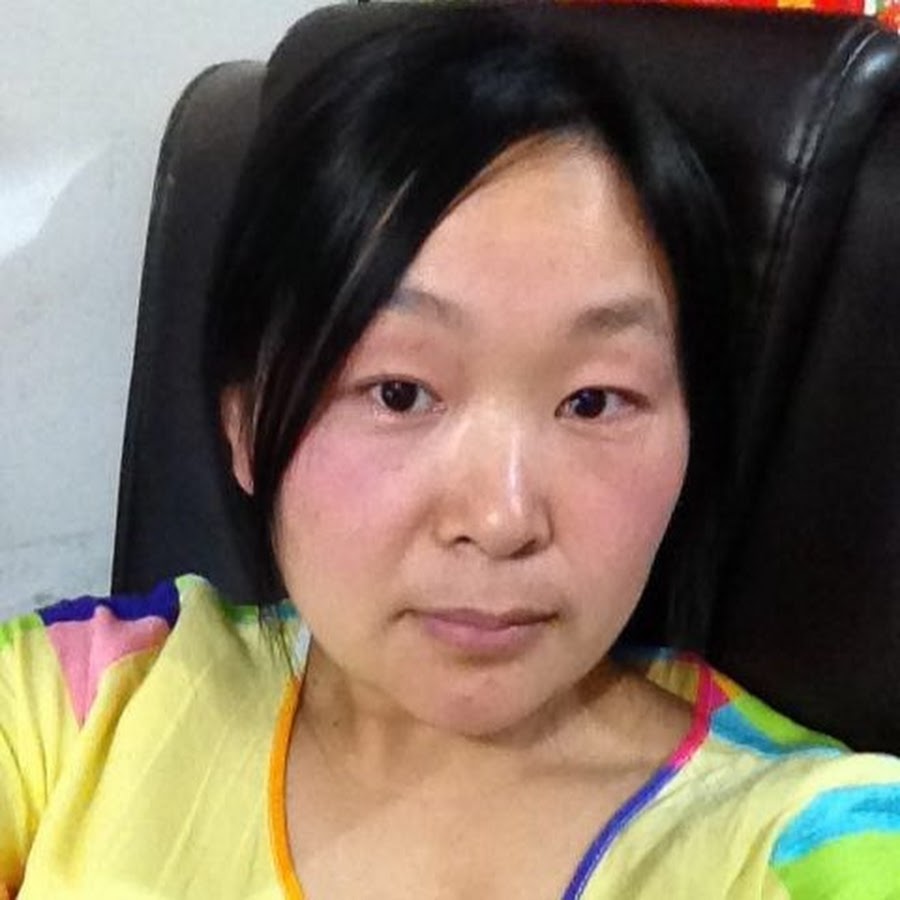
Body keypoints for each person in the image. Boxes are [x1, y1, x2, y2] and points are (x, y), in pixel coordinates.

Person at [2, 8, 899, 899]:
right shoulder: (86, 711)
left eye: (593, 401)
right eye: (399, 392)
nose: (500, 520)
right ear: (244, 421)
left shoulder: (805, 842)